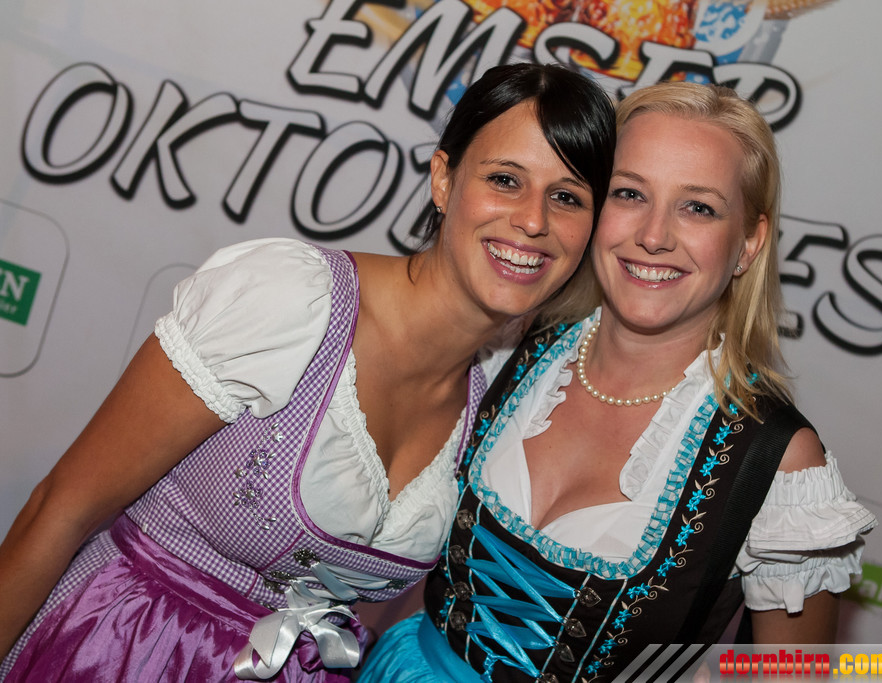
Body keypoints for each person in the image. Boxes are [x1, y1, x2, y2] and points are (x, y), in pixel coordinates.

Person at [0, 63, 615, 682]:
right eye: (505, 179)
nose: (533, 220)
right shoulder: (290, 297)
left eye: (567, 197)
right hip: (124, 649)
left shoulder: (512, 390)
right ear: (443, 178)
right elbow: (60, 510)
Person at [356, 81, 877, 682]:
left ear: (749, 242)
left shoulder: (779, 463)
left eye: (698, 207)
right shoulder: (509, 346)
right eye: (629, 193)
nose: (654, 236)